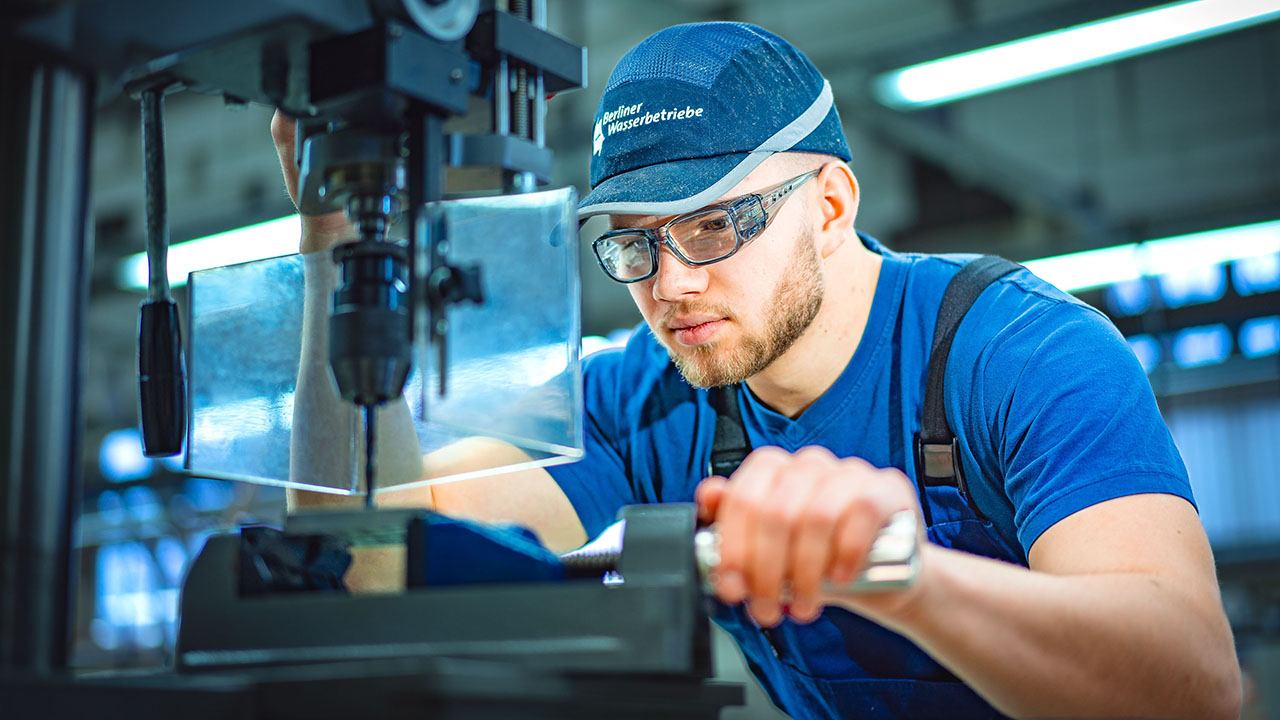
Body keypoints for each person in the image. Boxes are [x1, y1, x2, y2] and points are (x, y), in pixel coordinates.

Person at [274, 21, 1241, 720]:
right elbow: (376, 555)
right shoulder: (647, 399)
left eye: (713, 224)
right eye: (636, 244)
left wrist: (901, 579)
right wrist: (334, 240)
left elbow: (1195, 688)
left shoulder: (1022, 356)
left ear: (829, 204)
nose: (673, 284)